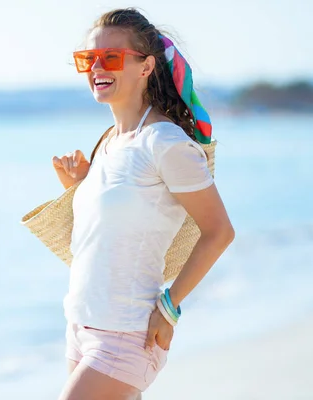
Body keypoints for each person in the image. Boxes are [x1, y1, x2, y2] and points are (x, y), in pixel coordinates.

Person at [51, 8, 235, 400]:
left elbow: (220, 232)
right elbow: (108, 232)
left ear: (146, 67)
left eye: (111, 57)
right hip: (80, 326)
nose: (97, 67)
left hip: (126, 331)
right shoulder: (108, 144)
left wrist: (170, 307)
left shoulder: (164, 142)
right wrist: (79, 186)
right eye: (88, 59)